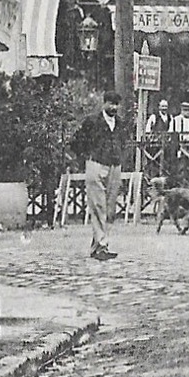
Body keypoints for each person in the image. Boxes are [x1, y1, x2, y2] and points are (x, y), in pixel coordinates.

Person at [70, 91, 129, 261]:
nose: (114, 107)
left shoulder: (120, 123)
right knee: (98, 206)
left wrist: (119, 156)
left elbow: (124, 142)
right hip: (96, 164)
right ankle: (102, 246)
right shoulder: (92, 121)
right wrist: (87, 157)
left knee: (110, 208)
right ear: (104, 104)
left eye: (116, 104)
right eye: (111, 103)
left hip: (114, 165)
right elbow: (77, 141)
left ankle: (97, 246)